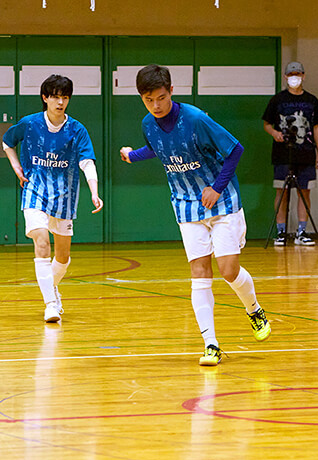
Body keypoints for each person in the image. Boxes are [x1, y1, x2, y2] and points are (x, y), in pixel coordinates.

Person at [119, 64, 270, 366]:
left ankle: (254, 309)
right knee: (200, 273)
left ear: (172, 91)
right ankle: (210, 344)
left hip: (222, 202)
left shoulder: (196, 119)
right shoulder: (148, 124)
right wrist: (132, 156)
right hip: (186, 206)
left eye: (161, 98)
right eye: (149, 100)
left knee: (228, 270)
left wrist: (216, 188)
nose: (156, 105)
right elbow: (157, 148)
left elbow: (235, 150)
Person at [3, 74, 103, 323]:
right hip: (34, 191)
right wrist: (16, 167)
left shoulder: (77, 129)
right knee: (41, 242)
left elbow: (87, 162)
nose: (60, 102)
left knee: (63, 257)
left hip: (65, 196)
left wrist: (94, 191)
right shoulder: (30, 124)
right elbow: (7, 141)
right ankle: (50, 305)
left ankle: (52, 287)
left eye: (65, 97)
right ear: (45, 98)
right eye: (56, 97)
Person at [262, 61, 318, 246]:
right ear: (285, 77)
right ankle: (281, 232)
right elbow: (266, 124)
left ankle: (301, 232)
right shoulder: (277, 100)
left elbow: (316, 127)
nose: (294, 78)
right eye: (291, 75)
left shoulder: (312, 100)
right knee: (281, 192)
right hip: (283, 154)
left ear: (303, 76)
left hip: (306, 154)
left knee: (304, 192)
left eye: (297, 74)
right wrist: (275, 133)